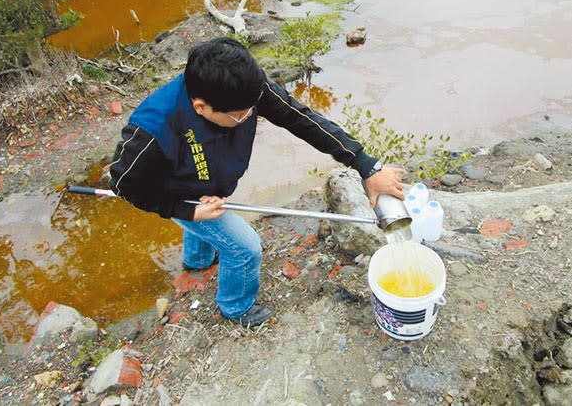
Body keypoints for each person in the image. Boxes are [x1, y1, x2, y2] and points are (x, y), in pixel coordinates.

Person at [109, 37, 404, 327]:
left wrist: (365, 164)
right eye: (241, 117)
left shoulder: (243, 89)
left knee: (207, 231)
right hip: (180, 194)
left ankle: (197, 263)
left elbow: (299, 119)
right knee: (245, 248)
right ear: (200, 107)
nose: (250, 116)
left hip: (211, 183)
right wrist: (185, 210)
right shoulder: (152, 129)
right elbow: (123, 184)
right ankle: (235, 306)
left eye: (253, 110)